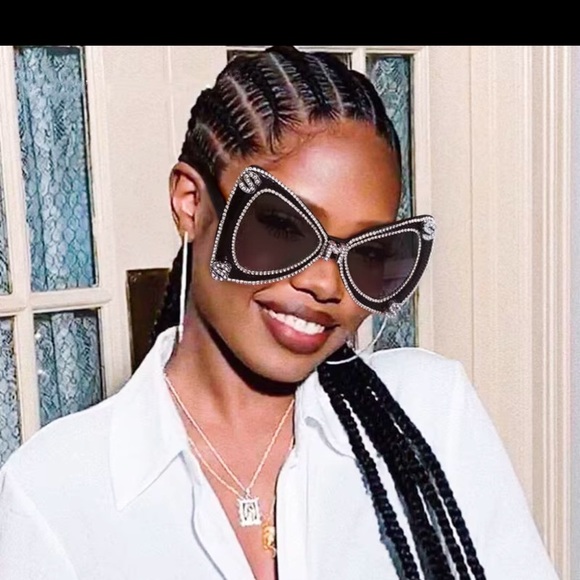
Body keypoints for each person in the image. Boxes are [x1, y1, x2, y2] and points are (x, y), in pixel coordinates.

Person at [0, 46, 559, 580]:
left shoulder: (431, 415)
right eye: (283, 227)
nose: (325, 283)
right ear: (191, 203)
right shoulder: (55, 493)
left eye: (369, 253)